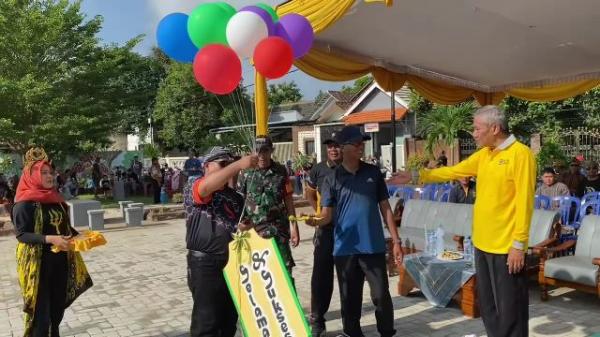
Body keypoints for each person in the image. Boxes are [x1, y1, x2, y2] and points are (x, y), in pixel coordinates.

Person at [390, 105, 535, 337]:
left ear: (495, 128)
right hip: (482, 244)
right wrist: (418, 176)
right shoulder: (485, 154)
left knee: (511, 310)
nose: (474, 133)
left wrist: (519, 245)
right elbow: (453, 171)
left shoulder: (520, 154)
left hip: (506, 248)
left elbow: (525, 203)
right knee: (488, 307)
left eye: (477, 128)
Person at [305, 126, 403, 337]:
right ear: (345, 147)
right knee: (350, 298)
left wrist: (396, 241)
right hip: (345, 249)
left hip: (373, 246)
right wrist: (316, 221)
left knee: (380, 295)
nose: (361, 147)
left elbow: (385, 207)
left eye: (362, 143)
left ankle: (387, 332)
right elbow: (327, 215)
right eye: (357, 143)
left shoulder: (373, 173)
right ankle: (353, 333)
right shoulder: (332, 179)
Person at [12, 148, 92, 337]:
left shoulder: (56, 200)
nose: (50, 176)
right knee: (41, 316)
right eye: (43, 173)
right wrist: (50, 239)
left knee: (57, 311)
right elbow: (22, 235)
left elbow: (64, 228)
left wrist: (80, 236)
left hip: (61, 261)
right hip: (38, 265)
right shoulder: (24, 204)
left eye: (51, 172)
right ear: (31, 176)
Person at [186, 147, 257, 337]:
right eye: (223, 164)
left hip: (231, 262)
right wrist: (239, 164)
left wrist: (243, 228)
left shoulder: (234, 196)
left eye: (231, 163)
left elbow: (236, 226)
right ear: (207, 166)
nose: (230, 168)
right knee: (206, 323)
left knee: (228, 322)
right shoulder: (195, 183)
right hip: (205, 263)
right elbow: (205, 189)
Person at [238, 136, 300, 279]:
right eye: (258, 151)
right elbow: (239, 201)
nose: (262, 155)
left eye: (265, 151)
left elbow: (288, 199)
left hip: (278, 230)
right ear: (253, 152)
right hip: (254, 232)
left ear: (271, 150)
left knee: (284, 272)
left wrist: (294, 226)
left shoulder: (281, 171)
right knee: (258, 274)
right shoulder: (245, 172)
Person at [304, 133, 342, 337]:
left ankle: (351, 320)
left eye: (337, 146)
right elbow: (308, 192)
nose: (334, 150)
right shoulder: (319, 169)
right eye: (330, 147)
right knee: (320, 277)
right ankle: (317, 319)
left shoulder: (349, 167)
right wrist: (317, 212)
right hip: (325, 231)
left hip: (346, 231)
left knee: (348, 276)